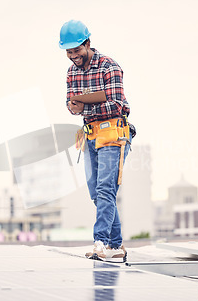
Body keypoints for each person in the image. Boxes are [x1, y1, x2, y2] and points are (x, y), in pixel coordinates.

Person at [59, 20, 133, 262]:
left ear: (88, 44)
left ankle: (100, 243)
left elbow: (117, 104)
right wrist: (73, 106)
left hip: (113, 133)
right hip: (90, 135)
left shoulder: (109, 66)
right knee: (97, 193)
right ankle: (116, 245)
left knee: (105, 189)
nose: (73, 56)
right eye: (69, 52)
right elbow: (72, 104)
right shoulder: (71, 72)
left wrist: (85, 103)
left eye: (76, 51)